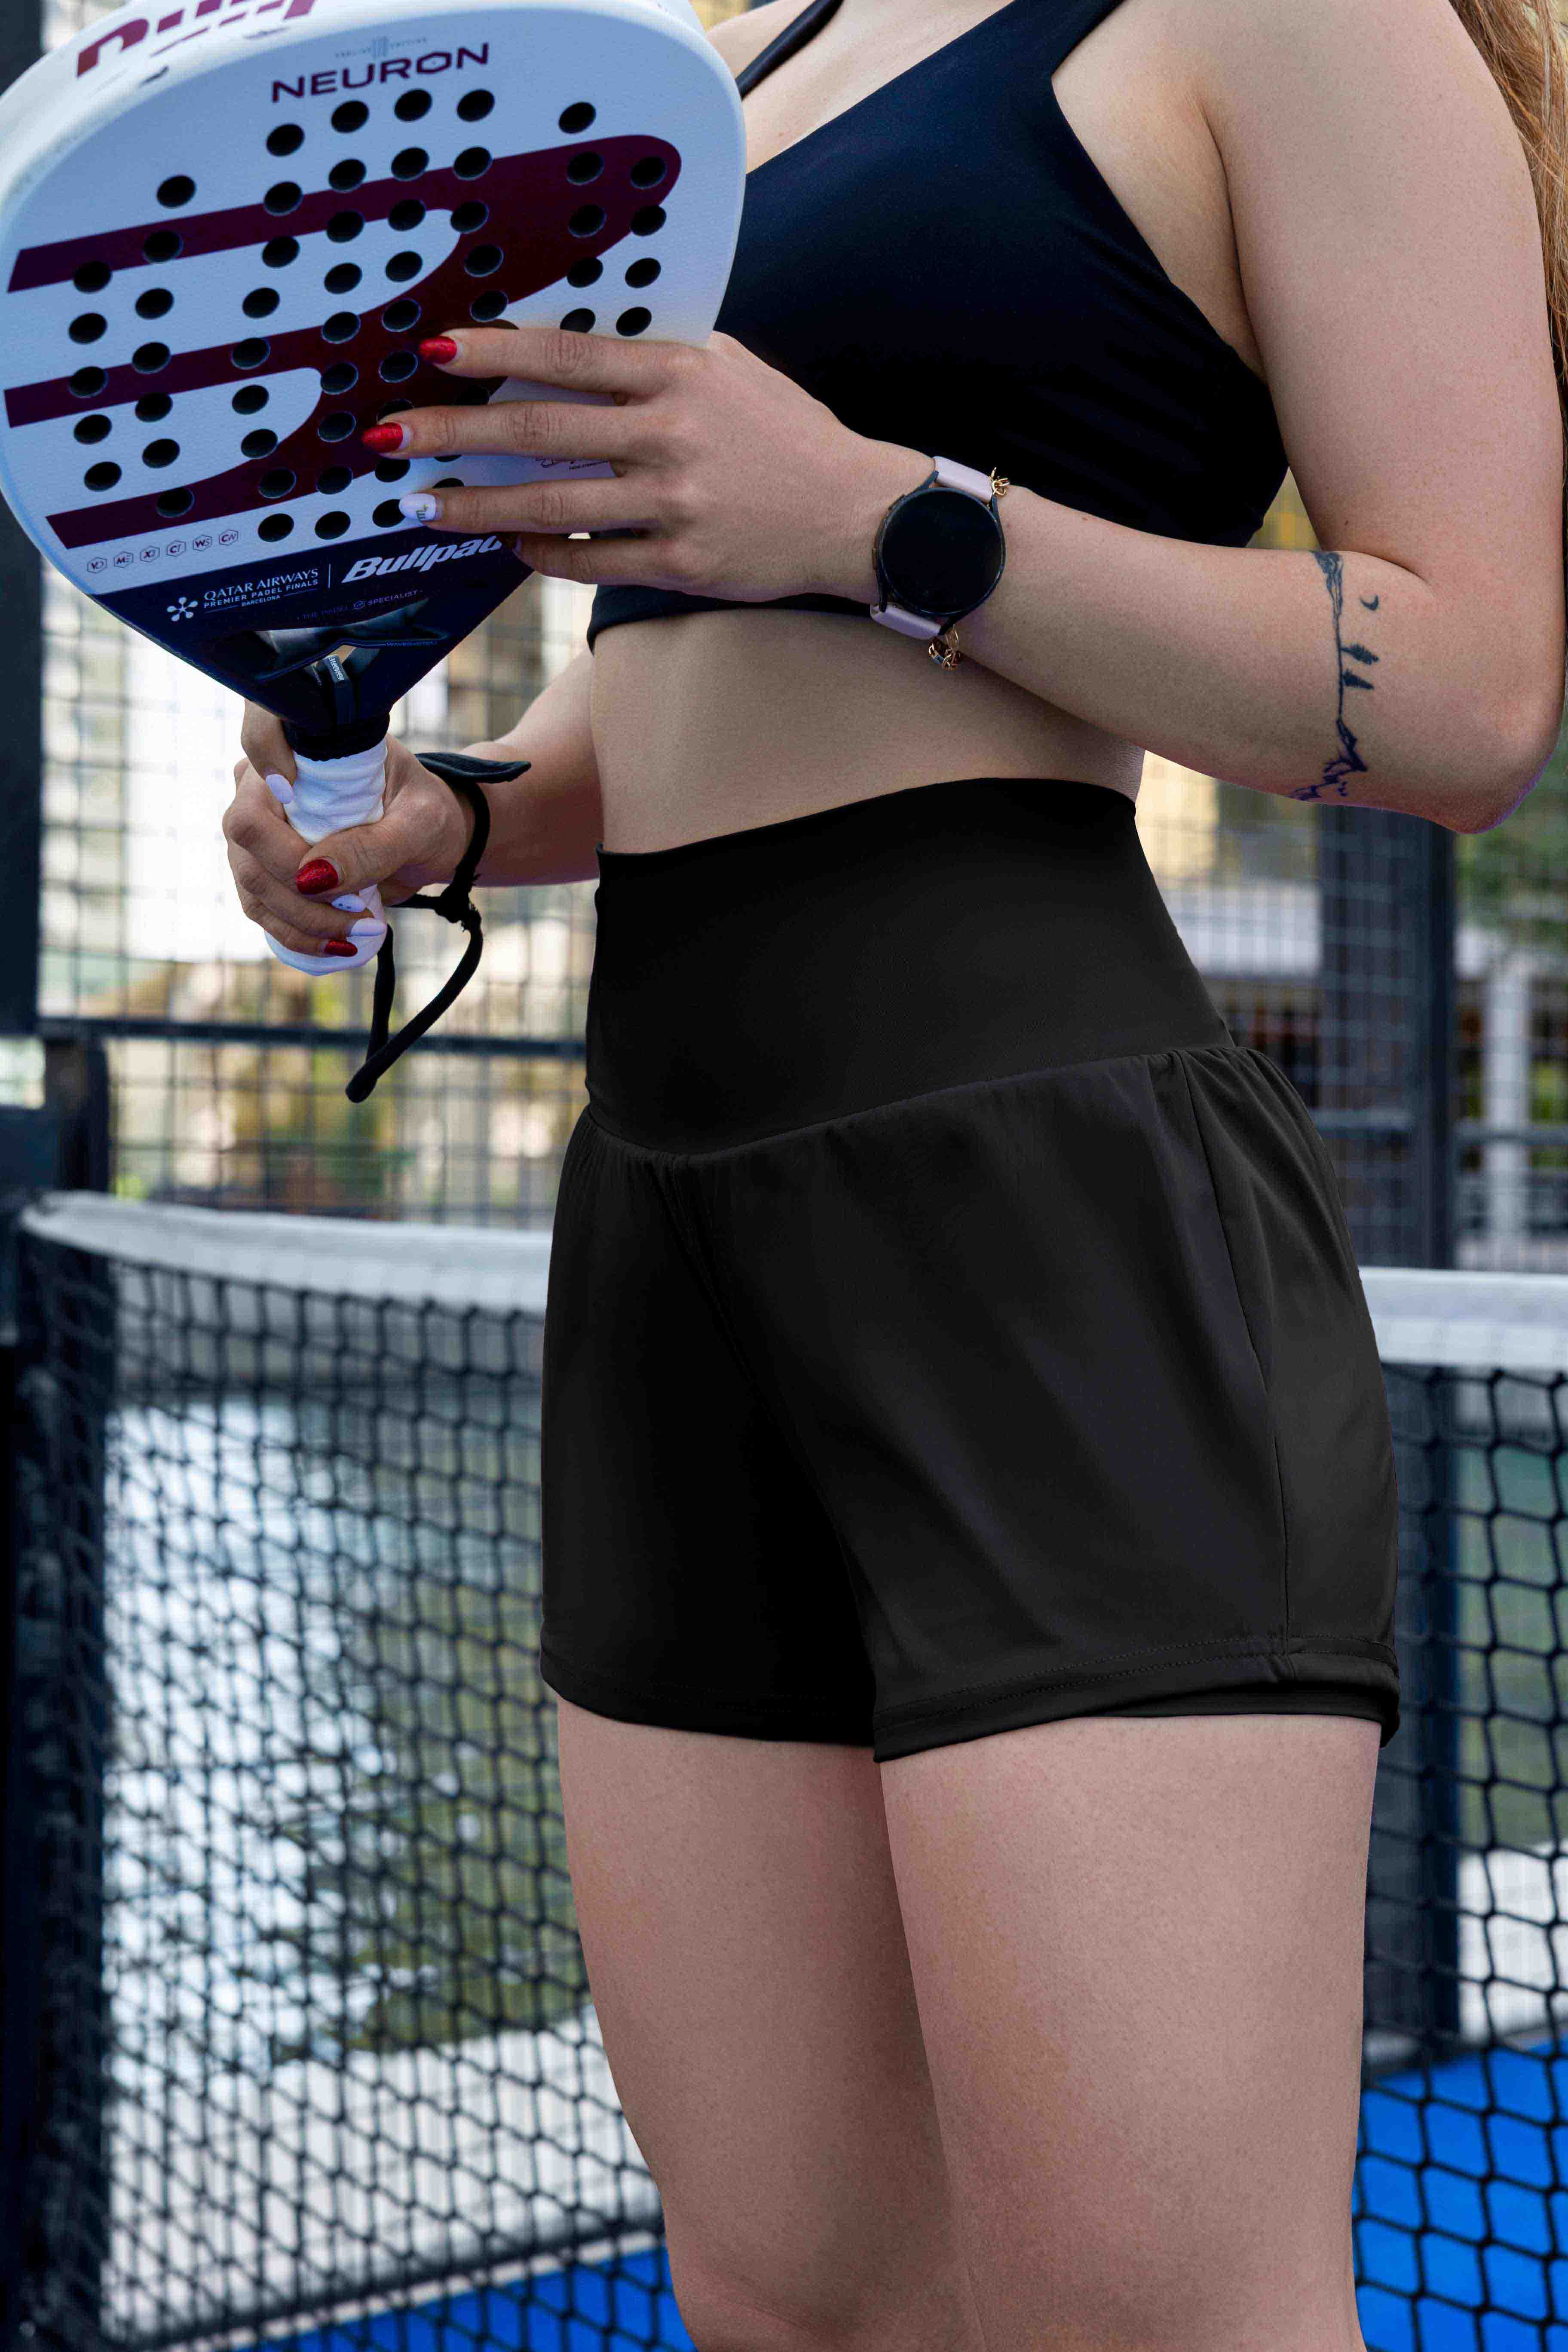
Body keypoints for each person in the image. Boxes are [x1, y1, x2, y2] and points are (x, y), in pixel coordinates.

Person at [227, 0, 1568, 2343]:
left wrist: (883, 513)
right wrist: (442, 814)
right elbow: (673, 664)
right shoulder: (737, 63)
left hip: (1040, 1192)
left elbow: (1467, 695)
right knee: (793, 2298)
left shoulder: (1300, 19)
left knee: (1154, 2321)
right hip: (666, 1212)